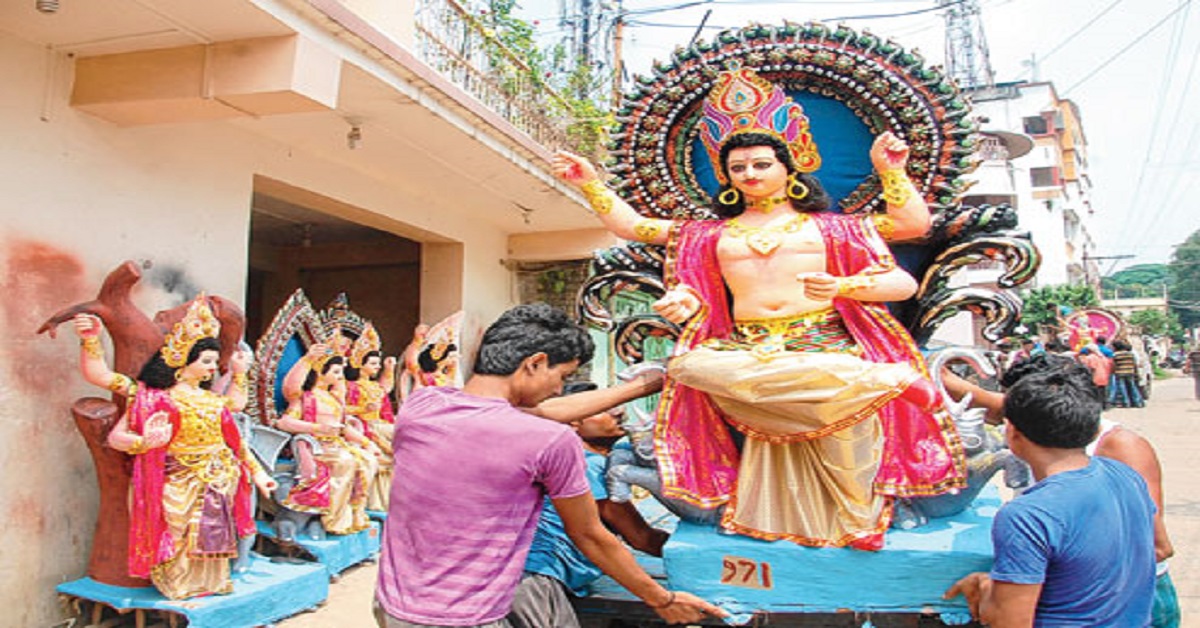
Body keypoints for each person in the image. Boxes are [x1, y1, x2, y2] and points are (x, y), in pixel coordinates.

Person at [553, 65, 964, 549]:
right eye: (738, 168)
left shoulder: (833, 228)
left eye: (761, 164)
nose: (750, 174)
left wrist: (847, 278)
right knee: (687, 365)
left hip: (823, 344)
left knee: (843, 437)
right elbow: (634, 227)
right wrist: (591, 184)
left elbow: (906, 255)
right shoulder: (711, 234)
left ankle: (859, 520)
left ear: (790, 167)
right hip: (748, 351)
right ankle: (885, 380)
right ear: (725, 176)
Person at [374, 303, 725, 627]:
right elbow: (589, 535)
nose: (559, 389)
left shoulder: (422, 406)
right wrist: (662, 600)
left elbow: (526, 412)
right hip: (468, 616)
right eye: (562, 376)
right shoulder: (550, 441)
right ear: (535, 363)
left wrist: (642, 386)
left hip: (394, 607)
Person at [944, 353, 1179, 627]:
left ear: (1012, 433)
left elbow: (1010, 621)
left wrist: (989, 589)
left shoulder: (1026, 515)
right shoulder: (1125, 476)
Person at [71, 299, 277, 600]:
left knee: (211, 533)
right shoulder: (151, 397)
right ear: (183, 360)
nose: (212, 368)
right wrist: (90, 339)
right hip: (177, 478)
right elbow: (102, 386)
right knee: (178, 533)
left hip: (218, 477)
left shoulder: (212, 401)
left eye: (213, 361)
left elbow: (235, 434)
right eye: (206, 361)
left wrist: (259, 475)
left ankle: (210, 581)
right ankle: (178, 584)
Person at [509, 382, 670, 628]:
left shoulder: (557, 460)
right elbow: (641, 538)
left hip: (528, 574)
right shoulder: (588, 465)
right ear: (573, 421)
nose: (619, 412)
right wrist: (702, 554)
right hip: (536, 578)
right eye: (605, 408)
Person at [276, 342, 381, 535]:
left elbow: (344, 428)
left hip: (337, 444)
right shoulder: (306, 398)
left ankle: (354, 514)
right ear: (320, 372)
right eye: (336, 372)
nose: (340, 377)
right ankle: (333, 518)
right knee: (345, 462)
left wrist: (367, 443)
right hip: (316, 447)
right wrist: (317, 427)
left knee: (369, 460)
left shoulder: (333, 398)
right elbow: (284, 422)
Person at [345, 323, 398, 510]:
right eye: (373, 364)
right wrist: (363, 408)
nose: (377, 367)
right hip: (363, 426)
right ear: (360, 364)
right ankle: (375, 502)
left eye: (378, 363)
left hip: (379, 423)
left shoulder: (375, 386)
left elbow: (386, 388)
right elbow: (341, 410)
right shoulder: (351, 386)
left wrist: (389, 368)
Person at [1110, 339, 1146, 408]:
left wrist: (1113, 371)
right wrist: (1136, 373)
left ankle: (1126, 402)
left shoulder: (1115, 355)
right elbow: (1134, 364)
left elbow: (1113, 365)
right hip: (1130, 372)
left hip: (1120, 373)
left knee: (1122, 387)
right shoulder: (1130, 354)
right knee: (1132, 386)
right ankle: (1137, 402)